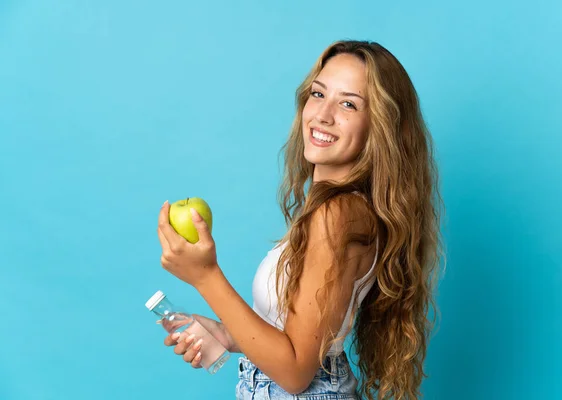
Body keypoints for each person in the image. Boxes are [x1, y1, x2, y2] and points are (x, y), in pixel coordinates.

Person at [156, 40, 445, 400]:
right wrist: (225, 333)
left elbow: (295, 372)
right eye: (318, 94)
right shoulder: (338, 210)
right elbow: (298, 341)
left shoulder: (338, 215)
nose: (323, 115)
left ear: (380, 127)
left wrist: (205, 275)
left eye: (348, 104)